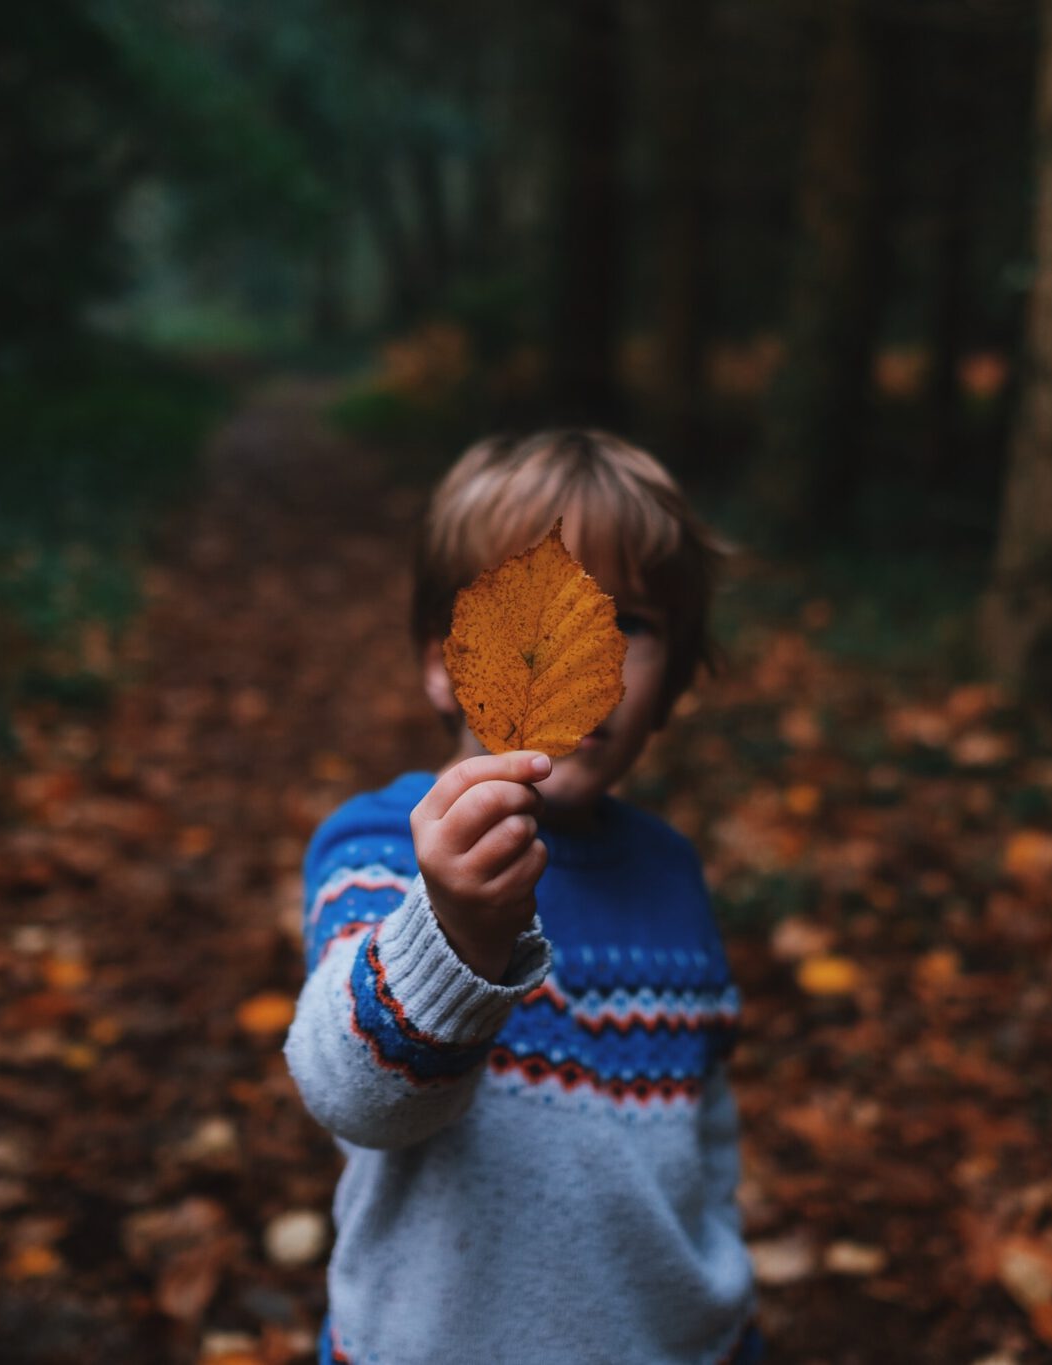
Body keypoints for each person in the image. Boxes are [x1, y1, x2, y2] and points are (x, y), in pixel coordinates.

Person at [284, 430, 760, 1364]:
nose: (590, 659)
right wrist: (455, 931)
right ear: (443, 659)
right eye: (527, 617)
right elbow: (356, 1095)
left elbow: (706, 1144)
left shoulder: (671, 873)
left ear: (673, 682)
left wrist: (723, 1314)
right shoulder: (384, 848)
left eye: (632, 624)